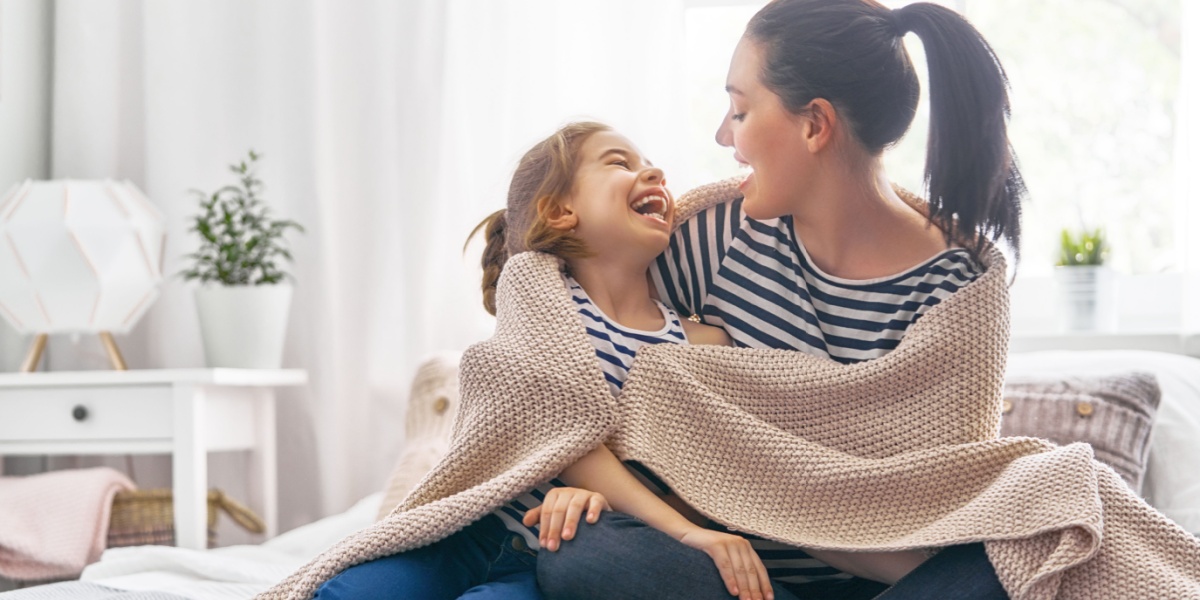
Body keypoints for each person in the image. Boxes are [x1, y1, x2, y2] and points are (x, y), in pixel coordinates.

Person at [536, 1, 1024, 599]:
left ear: (814, 125)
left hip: (891, 584)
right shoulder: (713, 239)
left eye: (740, 111)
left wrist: (784, 492)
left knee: (1014, 561)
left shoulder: (956, 293)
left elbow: (939, 508)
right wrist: (589, 482)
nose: (723, 135)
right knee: (586, 554)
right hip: (736, 582)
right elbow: (572, 345)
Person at [314, 121, 788, 600]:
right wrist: (647, 515)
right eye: (621, 163)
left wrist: (620, 517)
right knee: (348, 593)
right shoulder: (537, 292)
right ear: (561, 211)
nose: (655, 173)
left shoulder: (704, 344)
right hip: (472, 534)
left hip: (556, 561)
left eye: (651, 166)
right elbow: (553, 421)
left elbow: (713, 474)